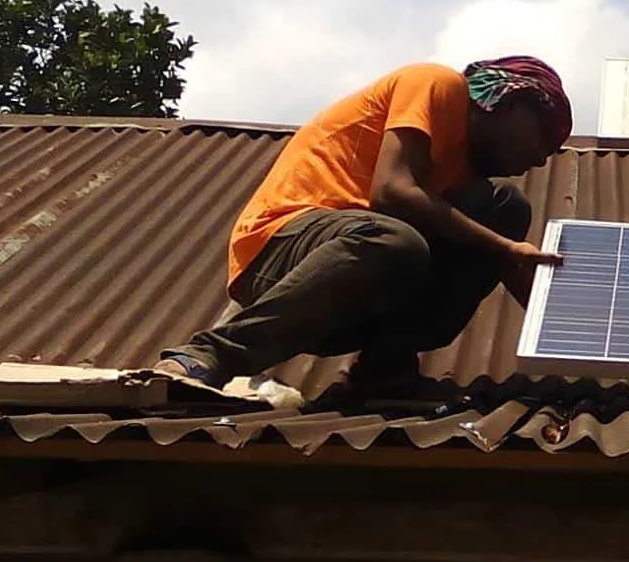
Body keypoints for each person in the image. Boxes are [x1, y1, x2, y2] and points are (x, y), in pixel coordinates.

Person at [153, 56, 573, 401]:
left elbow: (498, 261)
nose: (540, 159)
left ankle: (384, 370)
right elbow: (391, 192)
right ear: (512, 102)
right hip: (282, 250)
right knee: (395, 241)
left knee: (502, 206)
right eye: (544, 139)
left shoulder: (460, 171)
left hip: (351, 290)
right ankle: (205, 356)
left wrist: (568, 330)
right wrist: (506, 248)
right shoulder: (437, 84)